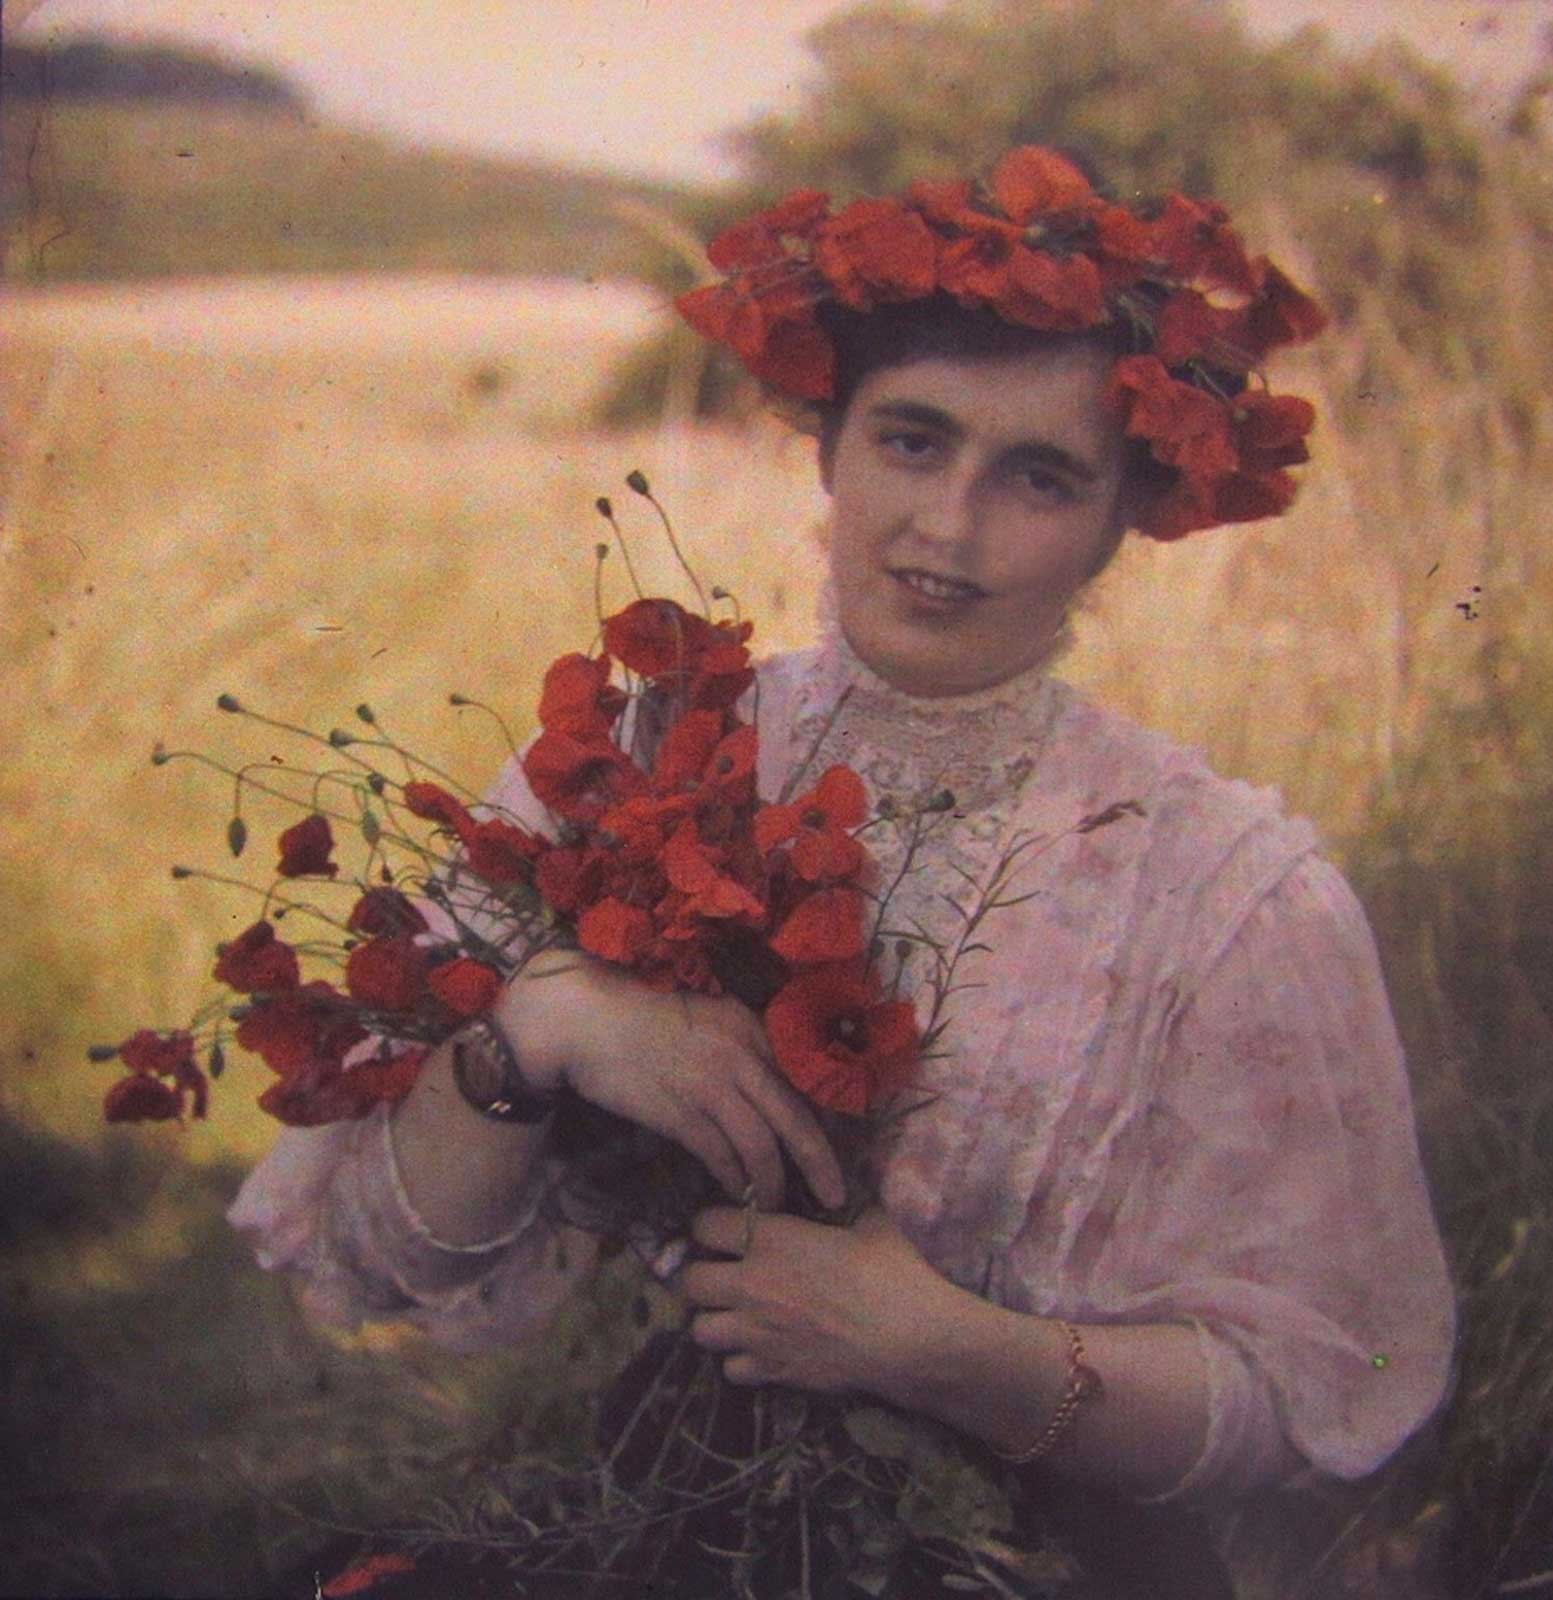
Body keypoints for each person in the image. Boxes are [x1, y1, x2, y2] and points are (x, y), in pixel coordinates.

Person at [230, 148, 1455, 1594]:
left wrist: (945, 1352)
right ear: (828, 446)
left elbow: (1311, 1396)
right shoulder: (631, 762)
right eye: (912, 441)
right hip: (648, 1507)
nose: (947, 528)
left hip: (1030, 1558)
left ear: (1121, 520)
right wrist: (540, 1026)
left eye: (1038, 477)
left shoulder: (1226, 893)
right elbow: (384, 1264)